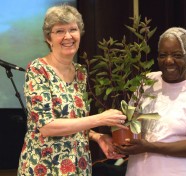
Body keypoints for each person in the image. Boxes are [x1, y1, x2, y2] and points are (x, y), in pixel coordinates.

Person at [17, 4, 127, 176]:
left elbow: (74, 121)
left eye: (73, 29)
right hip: (45, 167)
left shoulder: (80, 72)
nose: (68, 36)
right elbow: (47, 127)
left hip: (79, 166)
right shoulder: (38, 70)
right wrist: (100, 119)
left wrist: (97, 137)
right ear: (48, 38)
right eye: (60, 31)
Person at [114, 27, 186, 176]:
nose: (169, 61)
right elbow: (130, 123)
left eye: (177, 55)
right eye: (163, 55)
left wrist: (150, 147)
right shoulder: (148, 81)